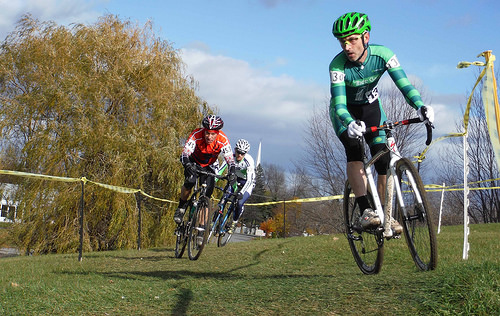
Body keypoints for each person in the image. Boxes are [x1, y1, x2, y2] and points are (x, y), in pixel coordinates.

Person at [329, 12, 434, 234]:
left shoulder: (383, 54)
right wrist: (349, 122)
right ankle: (366, 211)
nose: (347, 46)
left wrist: (420, 106)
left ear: (366, 37)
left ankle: (385, 215)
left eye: (352, 39)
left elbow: (405, 85)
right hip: (346, 113)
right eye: (342, 41)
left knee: (383, 159)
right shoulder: (337, 66)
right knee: (355, 150)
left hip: (371, 109)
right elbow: (339, 105)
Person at [173, 115, 236, 244]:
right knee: (190, 181)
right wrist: (186, 162)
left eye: (213, 134)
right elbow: (185, 152)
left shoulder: (223, 139)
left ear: (217, 133)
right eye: (207, 133)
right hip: (194, 162)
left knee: (206, 195)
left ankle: (201, 229)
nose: (209, 137)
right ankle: (181, 206)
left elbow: (230, 159)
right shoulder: (196, 134)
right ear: (204, 130)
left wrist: (232, 173)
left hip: (210, 166)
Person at [216, 139, 256, 234]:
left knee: (239, 203)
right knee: (224, 197)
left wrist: (241, 193)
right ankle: (217, 222)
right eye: (238, 152)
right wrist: (214, 180)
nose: (240, 155)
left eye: (242, 153)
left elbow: (250, 180)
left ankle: (234, 222)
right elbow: (221, 170)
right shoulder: (231, 157)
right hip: (236, 179)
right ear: (235, 150)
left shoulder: (249, 161)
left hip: (247, 183)